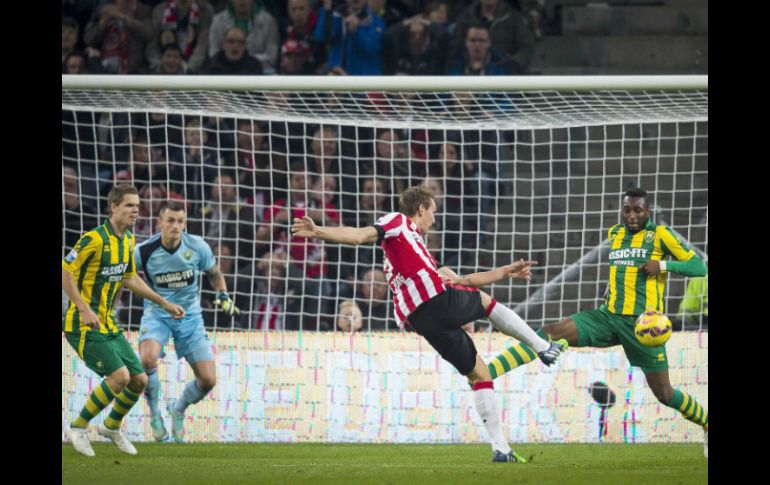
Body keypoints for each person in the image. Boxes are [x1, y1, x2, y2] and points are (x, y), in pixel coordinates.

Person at [291, 185, 566, 462]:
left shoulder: (418, 252)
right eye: (432, 212)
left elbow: (463, 281)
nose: (434, 219)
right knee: (483, 303)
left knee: (480, 374)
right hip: (433, 301)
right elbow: (360, 235)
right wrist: (318, 231)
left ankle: (501, 449)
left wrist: (504, 272)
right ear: (420, 209)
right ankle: (542, 346)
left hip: (423, 320)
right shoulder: (397, 222)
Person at [487, 187, 710, 458]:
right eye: (627, 209)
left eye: (638, 210)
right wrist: (610, 288)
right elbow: (621, 269)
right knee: (551, 332)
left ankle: (706, 423)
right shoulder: (615, 234)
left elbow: (699, 267)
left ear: (648, 212)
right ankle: (486, 373)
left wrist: (663, 267)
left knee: (664, 393)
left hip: (642, 328)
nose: (631, 215)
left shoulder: (660, 236)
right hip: (607, 317)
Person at [62, 184, 185, 457]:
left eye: (137, 206)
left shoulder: (128, 240)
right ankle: (78, 427)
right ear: (113, 207)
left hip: (108, 323)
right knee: (120, 377)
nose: (135, 211)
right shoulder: (93, 239)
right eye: (129, 205)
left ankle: (111, 426)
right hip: (81, 324)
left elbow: (129, 277)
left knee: (139, 379)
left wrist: (163, 302)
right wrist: (83, 308)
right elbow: (65, 270)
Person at [135, 200, 239, 443]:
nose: (176, 226)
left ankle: (178, 408)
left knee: (208, 379)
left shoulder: (197, 246)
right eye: (170, 220)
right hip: (157, 314)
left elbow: (215, 274)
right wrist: (115, 306)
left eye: (180, 221)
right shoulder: (143, 251)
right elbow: (126, 277)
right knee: (147, 358)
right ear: (159, 222)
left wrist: (223, 295)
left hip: (190, 317)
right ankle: (155, 415)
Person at [313, 0, 385, 75]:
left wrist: (356, 32)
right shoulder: (337, 15)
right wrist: (327, 9)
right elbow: (320, 37)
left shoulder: (375, 21)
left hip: (364, 80)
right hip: (338, 77)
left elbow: (372, 48)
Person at [208, 0, 280, 73]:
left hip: (259, 72)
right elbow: (214, 53)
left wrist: (246, 61)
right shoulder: (217, 21)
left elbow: (271, 56)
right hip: (224, 71)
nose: (242, 1)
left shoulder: (269, 21)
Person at [146, 0, 214, 74]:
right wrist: (159, 65)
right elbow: (152, 44)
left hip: (194, 70)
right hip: (161, 70)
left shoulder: (205, 11)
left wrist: (186, 68)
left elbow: (202, 45)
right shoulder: (160, 10)